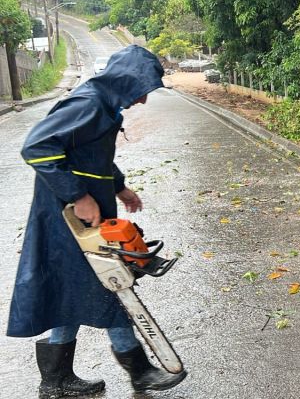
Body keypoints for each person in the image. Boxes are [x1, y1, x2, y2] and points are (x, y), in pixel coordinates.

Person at [6, 45, 187, 398]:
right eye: (143, 91)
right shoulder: (87, 103)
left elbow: (91, 155)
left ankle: (55, 379)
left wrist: (120, 188)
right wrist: (79, 195)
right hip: (67, 218)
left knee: (71, 289)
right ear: (128, 81)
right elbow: (36, 148)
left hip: (84, 215)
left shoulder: (105, 106)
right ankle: (141, 372)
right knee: (112, 284)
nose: (143, 101)